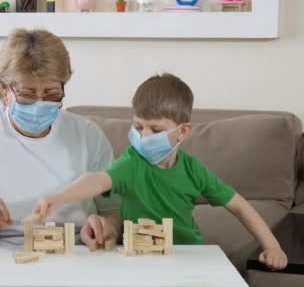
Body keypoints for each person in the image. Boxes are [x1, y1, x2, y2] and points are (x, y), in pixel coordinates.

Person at [34, 73, 287, 270]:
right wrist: (59, 197)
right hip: (137, 256)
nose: (144, 137)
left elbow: (239, 205)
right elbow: (99, 180)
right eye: (138, 126)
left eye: (155, 130)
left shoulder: (193, 169)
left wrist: (272, 247)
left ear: (183, 132)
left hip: (187, 254)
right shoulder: (132, 162)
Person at [0, 28, 121, 245]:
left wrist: (105, 227)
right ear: (3, 90)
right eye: (27, 95)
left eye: (51, 94)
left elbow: (113, 212)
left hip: (75, 250)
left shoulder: (88, 135)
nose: (40, 104)